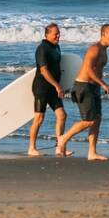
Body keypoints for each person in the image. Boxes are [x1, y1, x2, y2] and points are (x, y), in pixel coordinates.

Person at [55, 23, 109, 160]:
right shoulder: (94, 49)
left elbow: (97, 71)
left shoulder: (104, 51)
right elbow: (88, 70)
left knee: (97, 119)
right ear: (103, 34)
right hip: (83, 87)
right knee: (89, 120)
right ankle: (63, 139)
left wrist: (100, 86)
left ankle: (92, 152)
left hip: (94, 88)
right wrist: (104, 84)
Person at [28, 23, 67, 156]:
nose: (58, 36)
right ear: (47, 34)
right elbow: (44, 71)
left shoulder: (56, 47)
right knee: (39, 118)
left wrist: (59, 73)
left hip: (53, 87)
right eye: (55, 33)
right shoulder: (42, 49)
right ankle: (32, 148)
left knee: (62, 115)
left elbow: (53, 65)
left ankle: (59, 147)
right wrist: (57, 85)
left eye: (59, 33)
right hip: (42, 88)